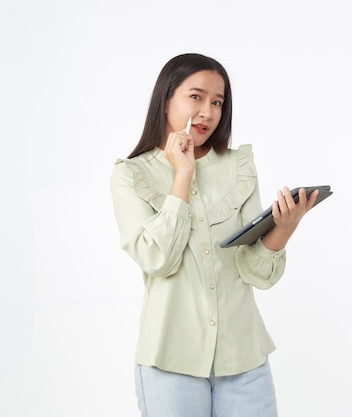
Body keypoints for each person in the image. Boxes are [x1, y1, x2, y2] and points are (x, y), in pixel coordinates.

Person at [110, 52, 319, 417]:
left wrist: (283, 229)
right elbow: (157, 259)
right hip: (170, 362)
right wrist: (182, 175)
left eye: (218, 102)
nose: (208, 111)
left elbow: (252, 270)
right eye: (196, 97)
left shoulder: (238, 167)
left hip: (244, 361)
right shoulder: (130, 174)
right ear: (166, 98)